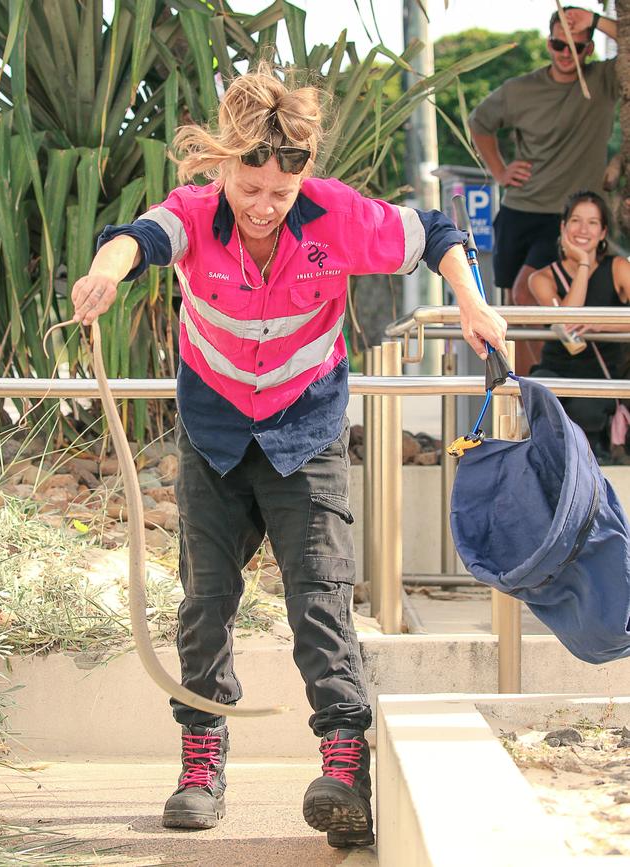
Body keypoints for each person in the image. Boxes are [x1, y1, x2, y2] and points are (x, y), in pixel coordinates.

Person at [70, 63, 506, 849]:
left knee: (320, 600)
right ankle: (201, 763)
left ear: (301, 178)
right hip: (214, 433)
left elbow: (436, 233)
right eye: (250, 189)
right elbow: (137, 240)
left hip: (305, 435)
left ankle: (344, 767)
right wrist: (105, 275)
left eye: (279, 194)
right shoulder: (196, 214)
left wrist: (470, 301)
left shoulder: (334, 215)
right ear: (225, 167)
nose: (264, 207)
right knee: (205, 604)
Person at [469, 6, 618, 374]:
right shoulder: (521, 90)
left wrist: (595, 21)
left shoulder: (603, 80)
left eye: (578, 46)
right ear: (548, 43)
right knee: (511, 311)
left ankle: (545, 385)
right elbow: (480, 122)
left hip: (566, 216)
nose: (567, 54)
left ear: (590, 50)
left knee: (525, 293)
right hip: (519, 209)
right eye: (558, 44)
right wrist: (500, 171)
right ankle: (521, 396)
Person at [528, 190, 630, 460]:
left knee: (587, 408)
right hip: (555, 371)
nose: (583, 229)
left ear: (603, 232)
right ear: (563, 227)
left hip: (603, 375)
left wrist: (602, 325)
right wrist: (584, 263)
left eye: (593, 222)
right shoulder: (542, 277)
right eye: (575, 220)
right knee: (539, 395)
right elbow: (568, 321)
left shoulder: (619, 268)